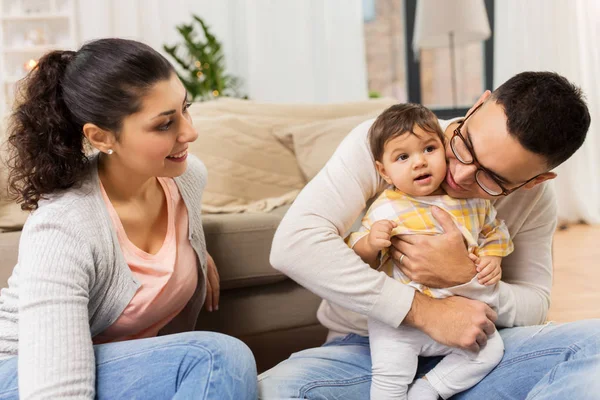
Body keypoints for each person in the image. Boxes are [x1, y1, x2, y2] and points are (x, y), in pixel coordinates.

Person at [258, 71, 599, 399]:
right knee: (272, 391)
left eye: (493, 179)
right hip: (366, 351)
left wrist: (467, 279)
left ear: (534, 181)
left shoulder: (535, 199)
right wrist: (421, 311)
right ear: (477, 106)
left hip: (478, 353)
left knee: (593, 345)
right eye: (465, 146)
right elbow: (293, 245)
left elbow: (535, 305)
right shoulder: (394, 142)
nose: (460, 174)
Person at [0, 38, 257, 399]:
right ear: (101, 136)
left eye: (186, 109)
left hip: (96, 365)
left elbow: (139, 264)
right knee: (214, 358)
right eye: (165, 124)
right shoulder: (62, 227)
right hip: (21, 371)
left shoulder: (186, 177)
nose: (190, 132)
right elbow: (54, 391)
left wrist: (191, 255)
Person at [349, 103, 512, 399]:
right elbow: (357, 256)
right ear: (383, 171)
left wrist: (493, 256)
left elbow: (494, 231)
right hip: (400, 321)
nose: (419, 163)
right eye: (403, 156)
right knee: (389, 378)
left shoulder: (474, 202)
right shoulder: (387, 207)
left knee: (491, 350)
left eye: (428, 149)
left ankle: (429, 389)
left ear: (444, 147)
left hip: (458, 316)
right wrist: (372, 243)